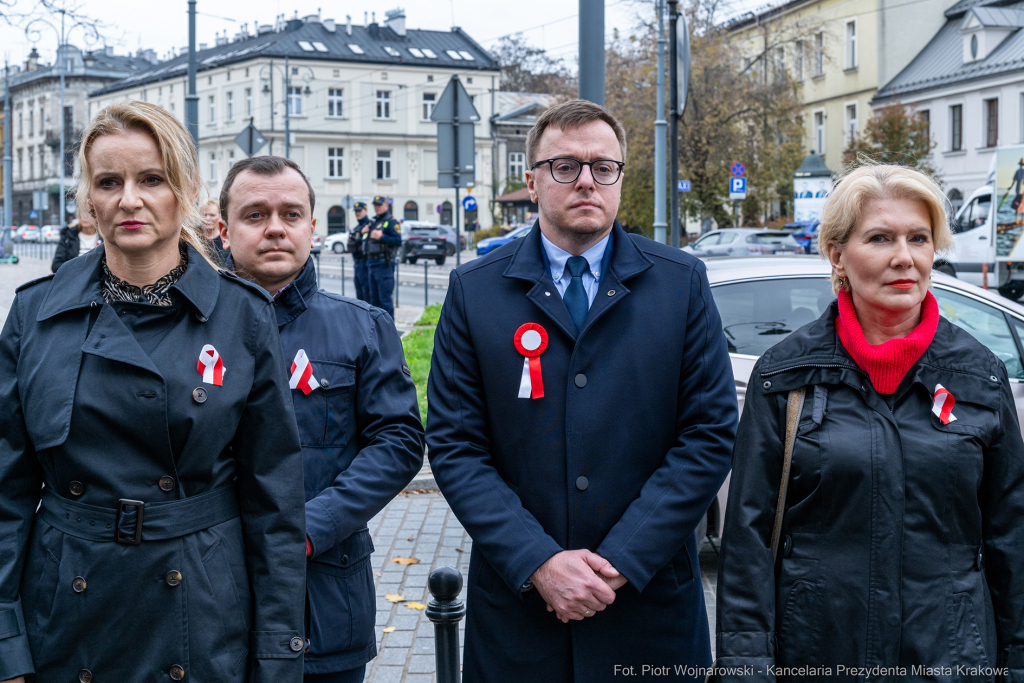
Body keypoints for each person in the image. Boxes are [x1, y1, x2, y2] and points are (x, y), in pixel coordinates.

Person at [426, 100, 738, 682]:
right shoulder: (475, 291)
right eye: (565, 166)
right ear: (533, 179)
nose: (587, 181)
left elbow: (710, 435)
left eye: (604, 167)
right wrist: (539, 560)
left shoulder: (680, 282)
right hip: (522, 613)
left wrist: (621, 559)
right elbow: (455, 445)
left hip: (648, 610)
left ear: (621, 177)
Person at [0, 101, 307, 683]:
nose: (129, 200)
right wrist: (5, 641)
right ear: (88, 201)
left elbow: (274, 507)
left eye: (152, 179)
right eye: (108, 182)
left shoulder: (241, 317)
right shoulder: (35, 313)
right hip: (66, 612)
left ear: (186, 190)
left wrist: (277, 655)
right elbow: (6, 493)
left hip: (199, 611)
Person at [714, 164, 1024, 681]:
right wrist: (746, 667)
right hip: (819, 656)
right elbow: (748, 542)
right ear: (837, 254)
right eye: (880, 238)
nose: (904, 257)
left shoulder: (979, 378)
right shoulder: (785, 376)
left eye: (918, 238)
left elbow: (1011, 538)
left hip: (951, 659)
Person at [219, 155, 425, 683]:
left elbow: (398, 442)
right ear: (223, 230)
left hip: (325, 599)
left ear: (313, 227)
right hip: (211, 600)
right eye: (255, 215)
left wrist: (313, 527)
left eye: (291, 214)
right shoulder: (184, 331)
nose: (274, 228)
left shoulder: (363, 328)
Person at [363, 196, 401, 318]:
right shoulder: (374, 221)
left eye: (379, 205)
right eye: (375, 205)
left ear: (386, 206)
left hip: (384, 265)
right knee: (374, 302)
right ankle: (377, 333)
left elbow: (398, 241)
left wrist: (382, 237)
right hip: (371, 264)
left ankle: (389, 333)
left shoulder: (391, 221)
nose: (377, 207)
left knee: (385, 301)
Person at [347, 201, 371, 303]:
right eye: (356, 211)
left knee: (367, 296)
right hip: (357, 264)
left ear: (366, 211)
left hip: (365, 264)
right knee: (359, 295)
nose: (357, 213)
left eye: (360, 211)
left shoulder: (369, 226)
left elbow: (367, 243)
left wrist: (359, 237)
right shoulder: (357, 228)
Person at [200, 198, 229, 266]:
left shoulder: (226, 239)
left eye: (212, 215)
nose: (207, 218)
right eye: (204, 215)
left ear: (220, 216)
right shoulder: (193, 237)